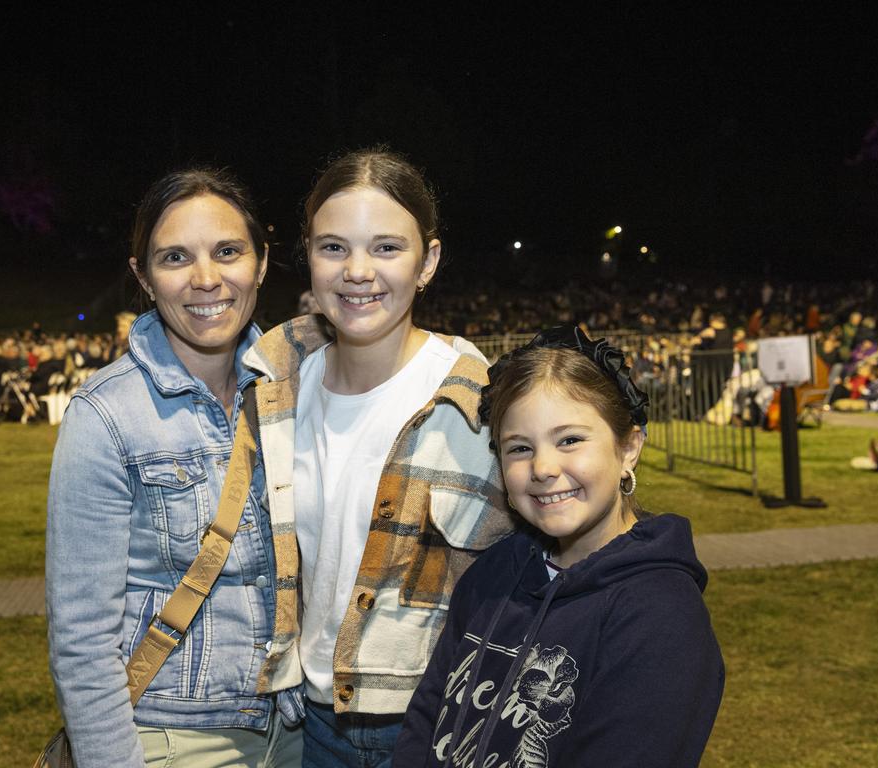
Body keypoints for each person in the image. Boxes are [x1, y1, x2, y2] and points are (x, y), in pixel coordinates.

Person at [241, 147, 513, 767]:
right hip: (303, 726)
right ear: (307, 255)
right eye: (333, 247)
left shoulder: (480, 402)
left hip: (437, 725)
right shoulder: (274, 388)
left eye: (386, 248)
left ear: (429, 261)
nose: (357, 270)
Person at [46, 166, 302, 768]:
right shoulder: (104, 415)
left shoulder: (298, 392)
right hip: (172, 739)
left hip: (296, 733)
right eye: (175, 257)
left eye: (228, 252)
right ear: (143, 276)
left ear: (262, 263)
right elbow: (82, 641)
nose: (206, 279)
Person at [393, 325, 725, 767]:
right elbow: (426, 718)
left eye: (569, 440)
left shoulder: (660, 616)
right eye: (519, 448)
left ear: (629, 448)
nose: (543, 467)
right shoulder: (490, 576)